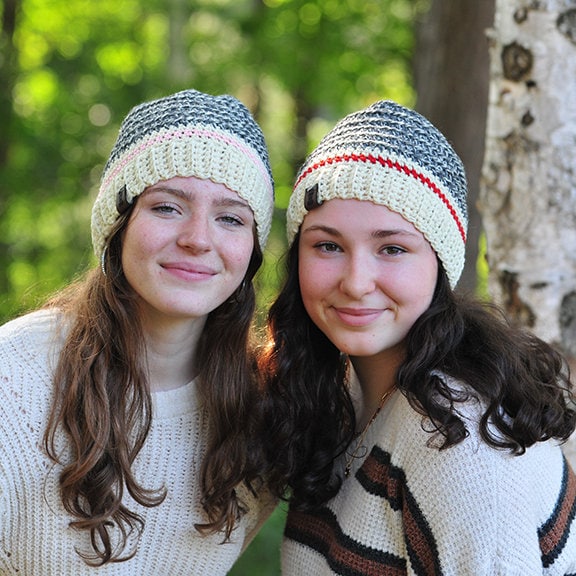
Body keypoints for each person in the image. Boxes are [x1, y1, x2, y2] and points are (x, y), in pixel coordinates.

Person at [258, 100, 576, 574]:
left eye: (391, 248)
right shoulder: (340, 390)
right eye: (328, 245)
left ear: (440, 265)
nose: (356, 281)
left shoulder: (459, 439)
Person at [0, 89, 276, 574]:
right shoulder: (13, 383)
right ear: (118, 226)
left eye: (230, 218)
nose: (197, 238)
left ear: (251, 251)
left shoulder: (260, 418)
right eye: (168, 207)